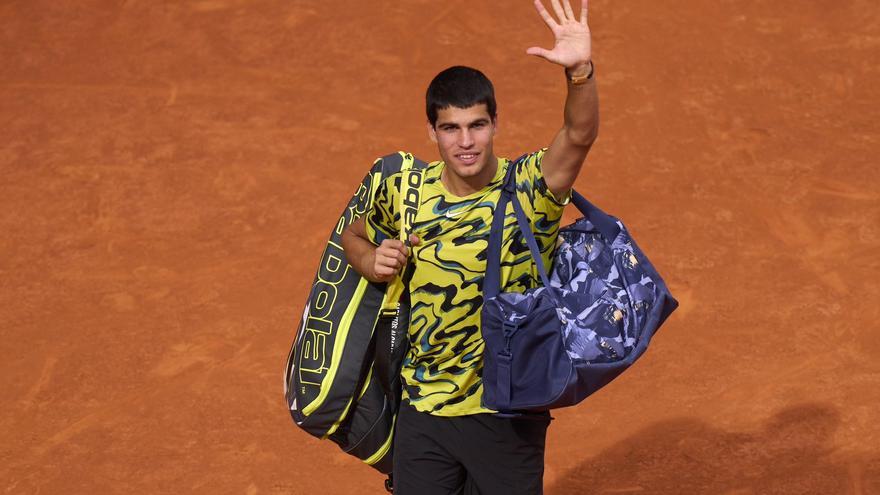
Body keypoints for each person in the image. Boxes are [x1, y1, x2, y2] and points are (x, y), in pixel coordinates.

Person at [340, 0, 598, 493]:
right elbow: (352, 234)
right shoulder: (405, 189)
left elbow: (580, 133)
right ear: (431, 132)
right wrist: (371, 258)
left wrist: (580, 73)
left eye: (477, 125)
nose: (466, 142)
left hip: (505, 413)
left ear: (495, 124)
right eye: (451, 128)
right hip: (422, 409)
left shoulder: (530, 188)